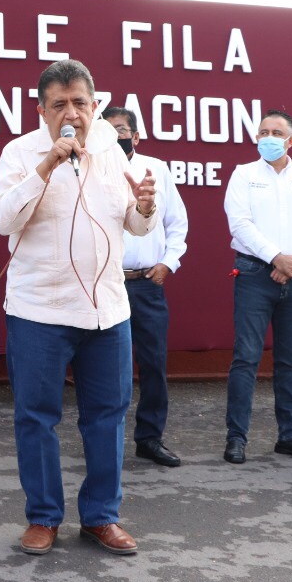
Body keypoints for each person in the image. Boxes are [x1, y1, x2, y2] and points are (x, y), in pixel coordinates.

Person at [0, 60, 158, 557]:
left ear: (94, 105)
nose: (72, 113)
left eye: (80, 103)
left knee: (107, 415)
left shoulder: (112, 152)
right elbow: (1, 220)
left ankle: (101, 517)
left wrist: (145, 208)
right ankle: (43, 517)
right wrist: (47, 165)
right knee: (37, 417)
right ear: (42, 109)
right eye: (59, 104)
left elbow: (136, 225)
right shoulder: (19, 153)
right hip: (39, 309)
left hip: (108, 310)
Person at [222, 109, 292, 464]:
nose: (269, 137)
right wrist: (275, 258)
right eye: (263, 131)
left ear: (291, 140)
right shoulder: (243, 175)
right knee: (246, 358)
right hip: (254, 275)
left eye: (276, 132)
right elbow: (240, 224)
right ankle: (236, 438)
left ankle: (291, 435)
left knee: (289, 361)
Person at [103, 106, 189, 467]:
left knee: (153, 363)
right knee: (106, 368)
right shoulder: (92, 169)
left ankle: (150, 438)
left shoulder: (157, 170)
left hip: (145, 285)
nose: (116, 137)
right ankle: (106, 440)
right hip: (106, 285)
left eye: (121, 130)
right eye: (107, 131)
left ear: (135, 136)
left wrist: (168, 263)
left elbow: (177, 223)